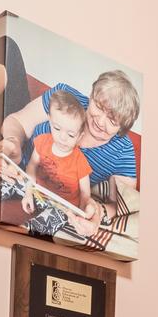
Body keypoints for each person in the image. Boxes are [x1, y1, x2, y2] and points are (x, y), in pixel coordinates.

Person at [0, 69, 142, 241]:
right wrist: (13, 142)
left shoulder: (122, 151)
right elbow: (17, 121)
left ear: (123, 128)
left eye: (112, 120)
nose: (100, 122)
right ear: (91, 94)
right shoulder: (64, 100)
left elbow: (119, 205)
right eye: (99, 107)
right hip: (20, 175)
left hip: (60, 203)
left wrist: (97, 212)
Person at [20, 88, 98, 224]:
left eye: (71, 134)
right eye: (56, 128)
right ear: (49, 121)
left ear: (79, 137)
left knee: (44, 222)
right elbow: (31, 166)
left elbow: (85, 195)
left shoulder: (80, 161)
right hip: (37, 193)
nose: (62, 137)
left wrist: (80, 215)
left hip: (62, 208)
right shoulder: (42, 141)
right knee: (5, 185)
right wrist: (28, 193)